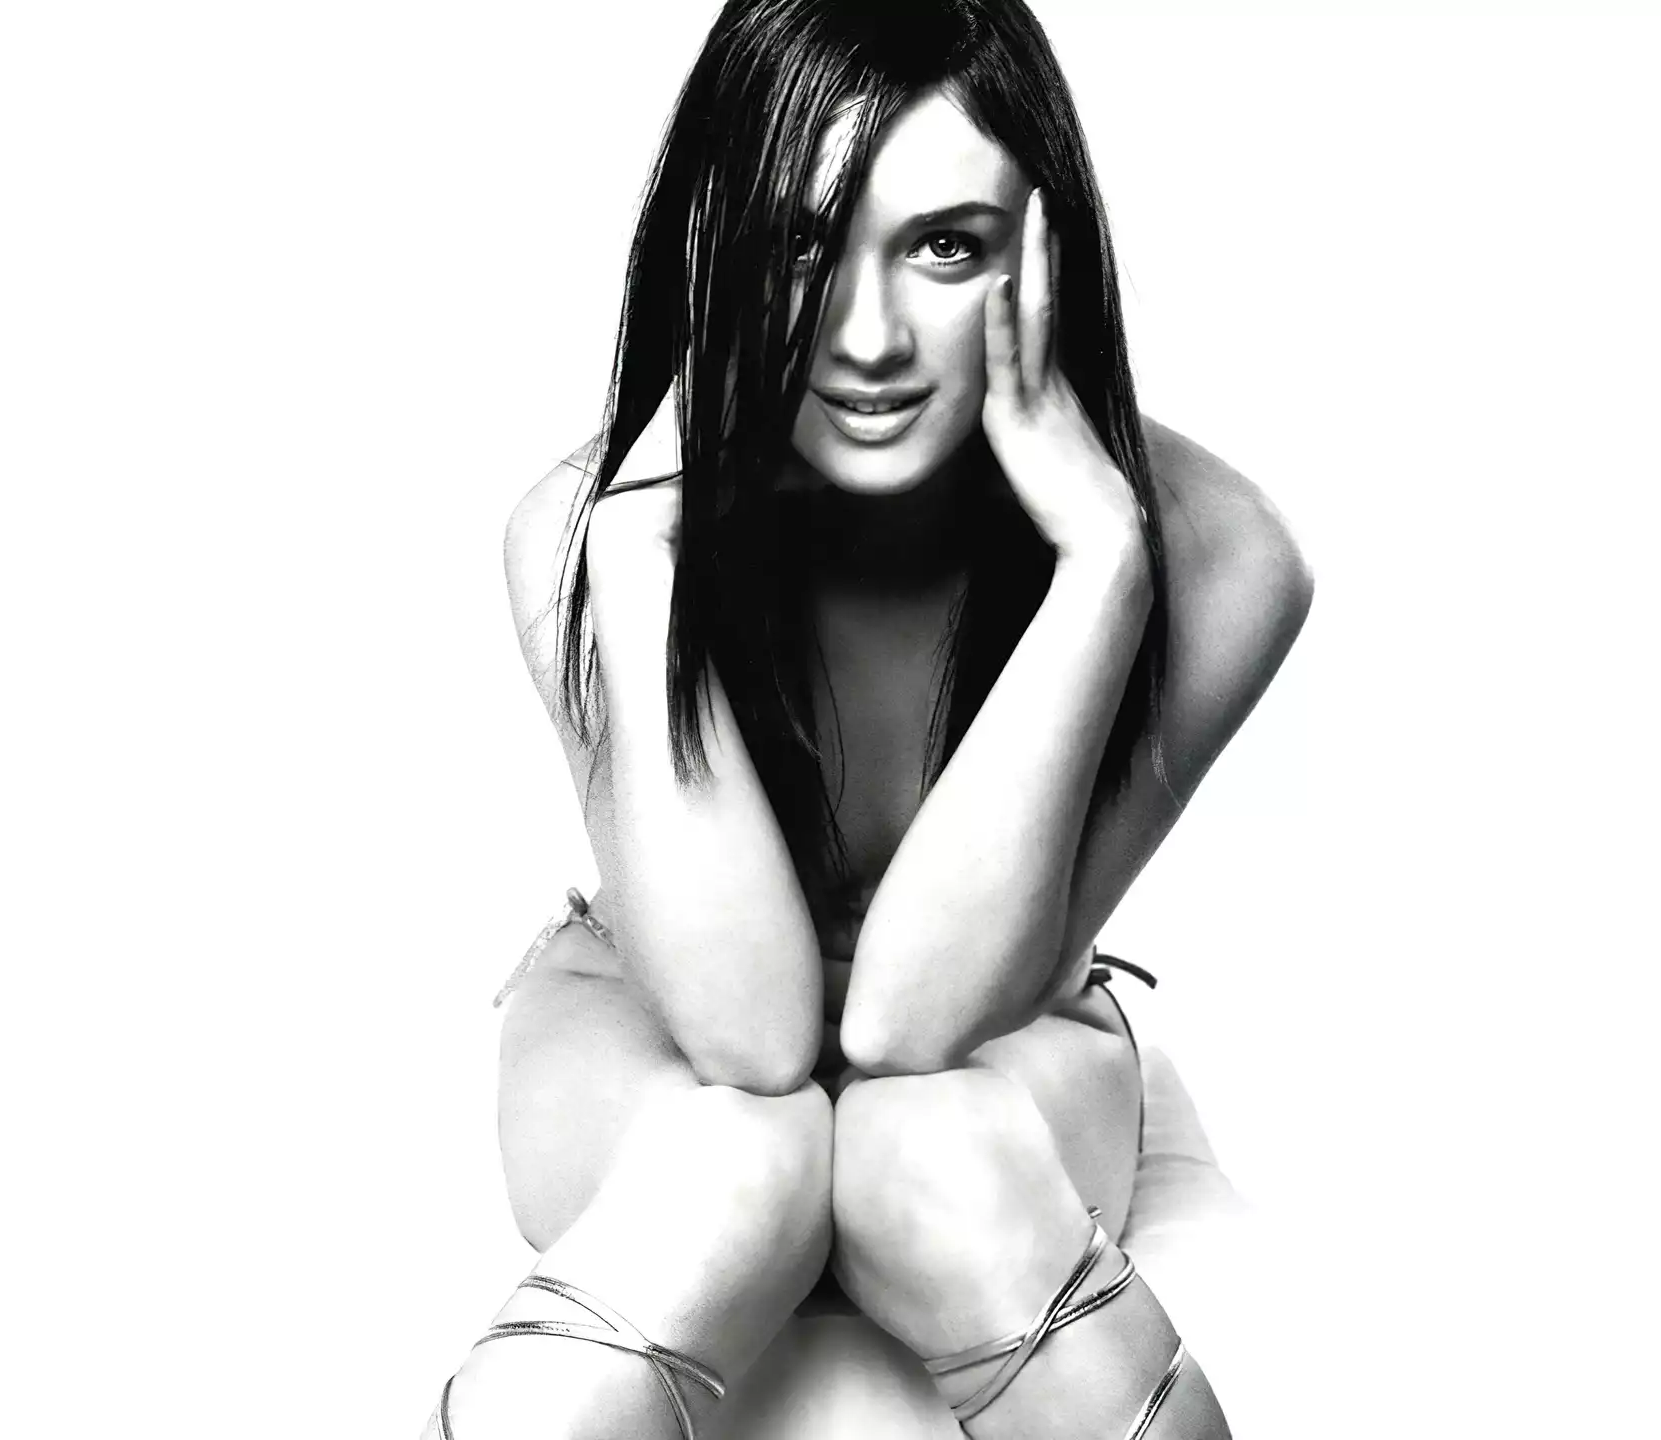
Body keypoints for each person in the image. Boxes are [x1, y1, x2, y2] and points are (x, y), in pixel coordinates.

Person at [425, 2, 1310, 1436]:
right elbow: (750, 1041)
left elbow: (913, 1025)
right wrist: (641, 558)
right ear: (712, 246)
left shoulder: (1216, 557)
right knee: (737, 1165)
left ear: (1051, 252)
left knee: (931, 1155)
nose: (869, 338)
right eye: (797, 245)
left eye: (945, 246)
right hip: (652, 1025)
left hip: (1002, 1039)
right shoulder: (581, 530)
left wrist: (1099, 570)